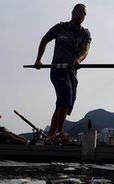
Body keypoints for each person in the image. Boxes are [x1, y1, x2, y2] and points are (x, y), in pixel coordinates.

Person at [34, 4, 91, 144]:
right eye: (80, 12)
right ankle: (60, 132)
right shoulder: (60, 28)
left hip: (71, 71)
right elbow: (44, 40)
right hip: (58, 69)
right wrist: (38, 59)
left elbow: (85, 50)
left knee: (64, 103)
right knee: (65, 96)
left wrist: (78, 60)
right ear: (73, 12)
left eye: (84, 14)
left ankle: (50, 136)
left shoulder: (85, 33)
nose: (82, 15)